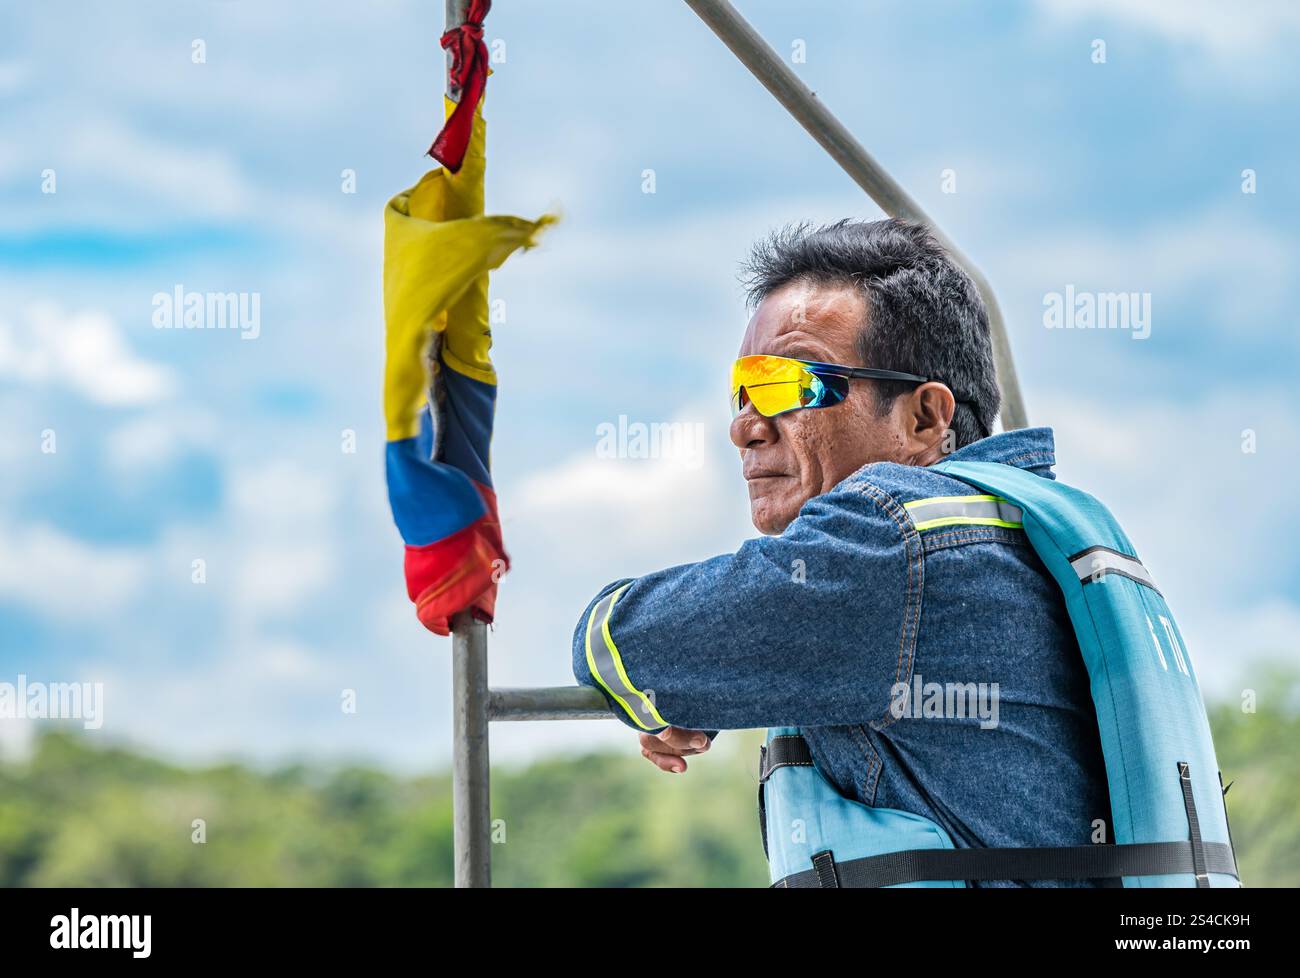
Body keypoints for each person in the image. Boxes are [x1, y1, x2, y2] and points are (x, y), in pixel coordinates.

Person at [571, 217, 1112, 887]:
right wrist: (716, 684)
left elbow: (624, 644)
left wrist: (667, 662)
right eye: (742, 391)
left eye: (787, 386)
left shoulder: (893, 543)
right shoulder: (1022, 532)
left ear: (924, 417)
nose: (744, 426)